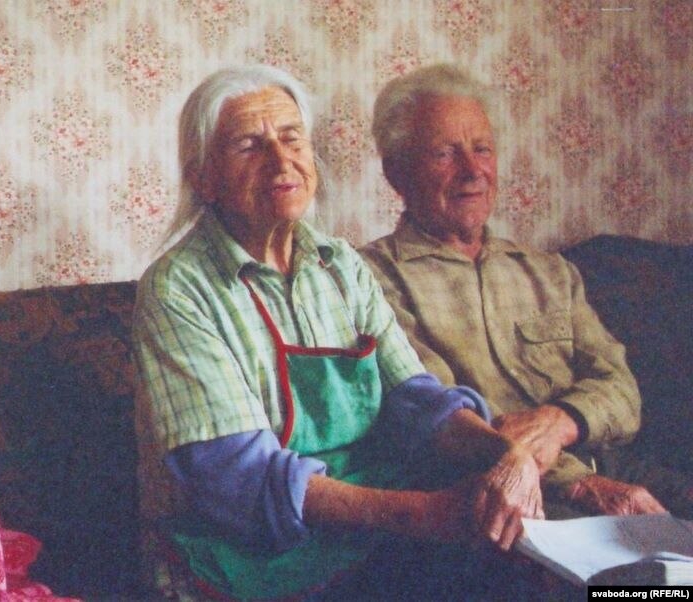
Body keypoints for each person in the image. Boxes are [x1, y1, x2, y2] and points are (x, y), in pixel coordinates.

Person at [132, 65, 544, 601]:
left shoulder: (340, 264)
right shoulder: (178, 289)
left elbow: (416, 399)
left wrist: (507, 455)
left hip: (367, 527)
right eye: (250, 146)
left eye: (292, 138)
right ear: (203, 178)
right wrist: (426, 514)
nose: (281, 160)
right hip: (252, 550)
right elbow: (236, 478)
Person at [361, 63, 692, 521]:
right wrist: (580, 484)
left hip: (616, 465)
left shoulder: (551, 272)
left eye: (482, 149)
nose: (472, 170)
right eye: (445, 154)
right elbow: (442, 420)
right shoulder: (373, 280)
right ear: (397, 174)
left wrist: (562, 421)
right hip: (504, 490)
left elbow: (622, 391)